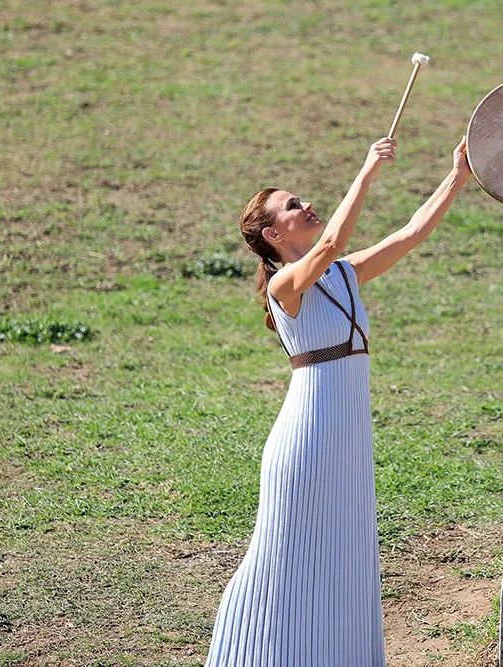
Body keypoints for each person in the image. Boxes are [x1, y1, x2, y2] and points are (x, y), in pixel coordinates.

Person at [205, 134, 471, 666]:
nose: (306, 207)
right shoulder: (286, 285)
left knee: (342, 560)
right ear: (273, 233)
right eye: (293, 205)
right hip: (308, 439)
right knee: (283, 561)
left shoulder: (344, 275)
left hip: (346, 437)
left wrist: (458, 175)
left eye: (302, 200)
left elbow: (412, 233)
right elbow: (326, 246)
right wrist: (368, 171)